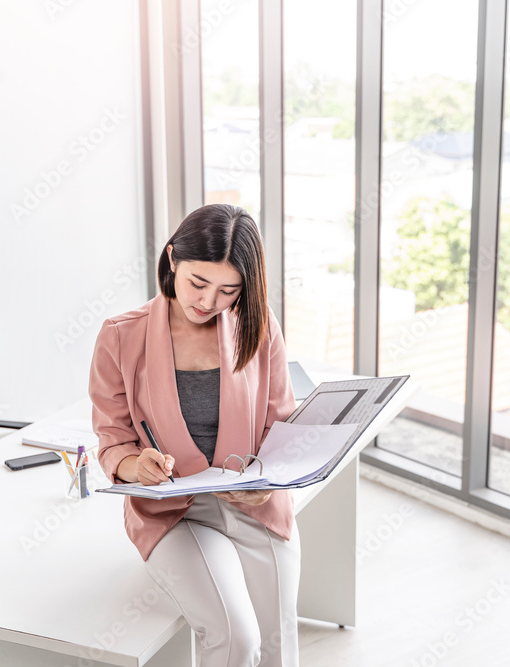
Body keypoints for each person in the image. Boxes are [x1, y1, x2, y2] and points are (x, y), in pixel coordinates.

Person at [89, 204, 300, 667]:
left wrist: (265, 480)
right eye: (197, 283)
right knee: (234, 637)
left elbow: (280, 426)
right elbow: (112, 438)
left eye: (228, 290)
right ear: (171, 260)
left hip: (254, 502)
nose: (208, 301)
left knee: (277, 644)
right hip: (171, 510)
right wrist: (132, 464)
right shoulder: (121, 337)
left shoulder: (257, 326)